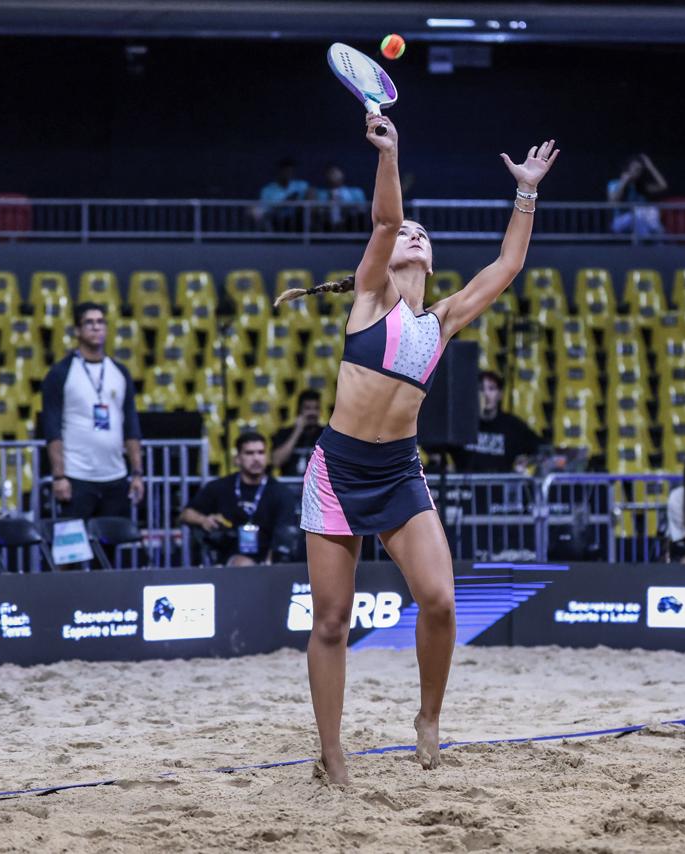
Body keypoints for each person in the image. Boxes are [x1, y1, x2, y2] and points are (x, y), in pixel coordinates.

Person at [272, 112, 558, 785]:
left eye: (423, 234)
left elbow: (509, 265)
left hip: (399, 471)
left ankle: (428, 717)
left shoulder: (442, 321)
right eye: (409, 232)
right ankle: (332, 754)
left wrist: (526, 190)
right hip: (339, 470)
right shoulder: (371, 298)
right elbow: (383, 220)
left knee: (441, 601)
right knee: (332, 623)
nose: (414, 235)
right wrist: (389, 155)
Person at [41, 302, 144, 521]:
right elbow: (52, 428)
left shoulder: (119, 372)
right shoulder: (61, 373)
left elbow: (131, 425)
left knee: (111, 542)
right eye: (89, 322)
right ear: (77, 331)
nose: (96, 327)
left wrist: (137, 473)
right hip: (76, 477)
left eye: (100, 322)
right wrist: (59, 476)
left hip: (115, 476)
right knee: (72, 542)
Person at [180, 432, 297, 566]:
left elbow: (284, 532)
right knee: (243, 564)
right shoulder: (219, 487)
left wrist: (269, 566)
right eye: (249, 453)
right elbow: (185, 515)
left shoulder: (281, 492)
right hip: (229, 559)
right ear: (237, 459)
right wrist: (204, 520)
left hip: (270, 559)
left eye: (261, 452)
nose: (256, 458)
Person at [451, 371, 543, 474]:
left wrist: (528, 460)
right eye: (481, 389)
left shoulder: (513, 425)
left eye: (491, 388)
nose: (486, 394)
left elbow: (542, 449)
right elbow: (440, 448)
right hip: (466, 484)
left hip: (501, 484)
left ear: (500, 394)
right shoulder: (461, 423)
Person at [607, 154, 667, 237]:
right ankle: (647, 240)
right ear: (628, 169)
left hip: (642, 221)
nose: (637, 172)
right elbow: (613, 202)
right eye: (635, 169)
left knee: (652, 213)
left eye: (640, 170)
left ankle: (658, 240)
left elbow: (663, 186)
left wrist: (650, 167)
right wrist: (623, 182)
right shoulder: (614, 184)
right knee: (636, 217)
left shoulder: (641, 187)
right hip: (620, 221)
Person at [271, 389, 325, 477]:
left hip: (317, 484)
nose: (312, 413)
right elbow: (277, 462)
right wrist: (297, 431)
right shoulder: (284, 433)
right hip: (289, 483)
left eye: (316, 408)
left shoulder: (326, 434)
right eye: (307, 408)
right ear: (299, 411)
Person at [258, 157, 311, 231]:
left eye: (290, 171)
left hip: (297, 221)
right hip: (277, 221)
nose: (288, 173)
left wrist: (298, 202)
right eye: (285, 170)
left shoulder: (302, 185)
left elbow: (309, 198)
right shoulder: (267, 190)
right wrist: (285, 203)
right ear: (279, 171)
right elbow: (265, 210)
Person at [317, 164, 368, 232]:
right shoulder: (321, 194)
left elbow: (362, 209)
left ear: (342, 174)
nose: (334, 175)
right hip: (327, 226)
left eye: (336, 172)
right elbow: (319, 211)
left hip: (349, 225)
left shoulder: (355, 192)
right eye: (331, 173)